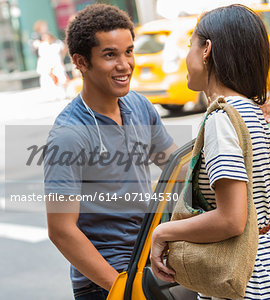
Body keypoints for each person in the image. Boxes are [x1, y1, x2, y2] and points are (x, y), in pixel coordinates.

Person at [150, 4, 270, 300]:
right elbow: (266, 210)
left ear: (206, 49)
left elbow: (232, 220)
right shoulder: (255, 115)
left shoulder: (222, 120)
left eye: (189, 45)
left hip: (244, 283)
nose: (185, 57)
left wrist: (163, 233)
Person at [44, 4, 177, 300]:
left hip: (148, 264)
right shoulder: (69, 133)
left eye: (128, 51)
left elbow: (178, 168)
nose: (125, 64)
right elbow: (61, 230)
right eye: (110, 55)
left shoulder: (140, 106)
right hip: (103, 283)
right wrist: (121, 288)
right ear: (80, 62)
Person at [36, 32, 68, 100]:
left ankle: (64, 93)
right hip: (48, 66)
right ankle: (54, 95)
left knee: (61, 79)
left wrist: (62, 59)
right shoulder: (43, 45)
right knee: (51, 80)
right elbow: (41, 57)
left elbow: (63, 50)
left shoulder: (57, 43)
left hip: (57, 64)